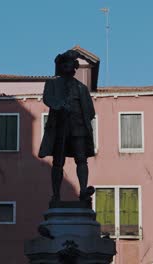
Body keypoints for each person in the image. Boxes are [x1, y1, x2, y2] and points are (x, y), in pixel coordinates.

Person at [38, 50, 96, 202]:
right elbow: (48, 99)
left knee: (81, 159)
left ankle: (83, 190)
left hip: (78, 128)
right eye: (64, 64)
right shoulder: (52, 84)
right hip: (59, 127)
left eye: (69, 63)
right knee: (58, 162)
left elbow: (90, 111)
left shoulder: (82, 88)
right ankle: (56, 194)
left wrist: (81, 119)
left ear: (74, 67)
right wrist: (60, 105)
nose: (66, 66)